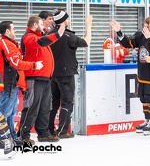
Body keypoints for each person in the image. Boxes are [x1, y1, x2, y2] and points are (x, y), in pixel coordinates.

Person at [110, 17, 150, 135]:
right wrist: (119, 32)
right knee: (143, 98)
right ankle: (147, 120)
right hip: (142, 74)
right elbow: (127, 43)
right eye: (144, 26)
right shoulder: (140, 35)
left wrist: (149, 39)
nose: (145, 29)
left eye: (148, 26)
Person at [18, 16, 65, 144]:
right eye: (40, 24)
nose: (44, 26)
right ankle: (23, 134)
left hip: (45, 78)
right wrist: (58, 33)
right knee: (31, 106)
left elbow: (45, 40)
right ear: (34, 25)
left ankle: (43, 133)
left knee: (45, 107)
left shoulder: (39, 36)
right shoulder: (29, 37)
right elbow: (42, 41)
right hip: (34, 78)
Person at [48, 10, 93, 139]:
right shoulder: (67, 36)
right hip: (66, 73)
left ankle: (50, 129)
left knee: (54, 102)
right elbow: (86, 42)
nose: (68, 21)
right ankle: (62, 131)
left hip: (53, 73)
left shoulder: (50, 34)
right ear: (63, 21)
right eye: (67, 19)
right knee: (67, 101)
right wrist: (88, 26)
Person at [0, 21, 43, 144]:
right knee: (4, 114)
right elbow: (15, 63)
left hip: (12, 84)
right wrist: (34, 65)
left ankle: (11, 137)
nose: (15, 32)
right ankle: (4, 139)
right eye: (13, 29)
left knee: (10, 113)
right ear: (7, 31)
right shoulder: (5, 43)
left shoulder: (10, 44)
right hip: (7, 85)